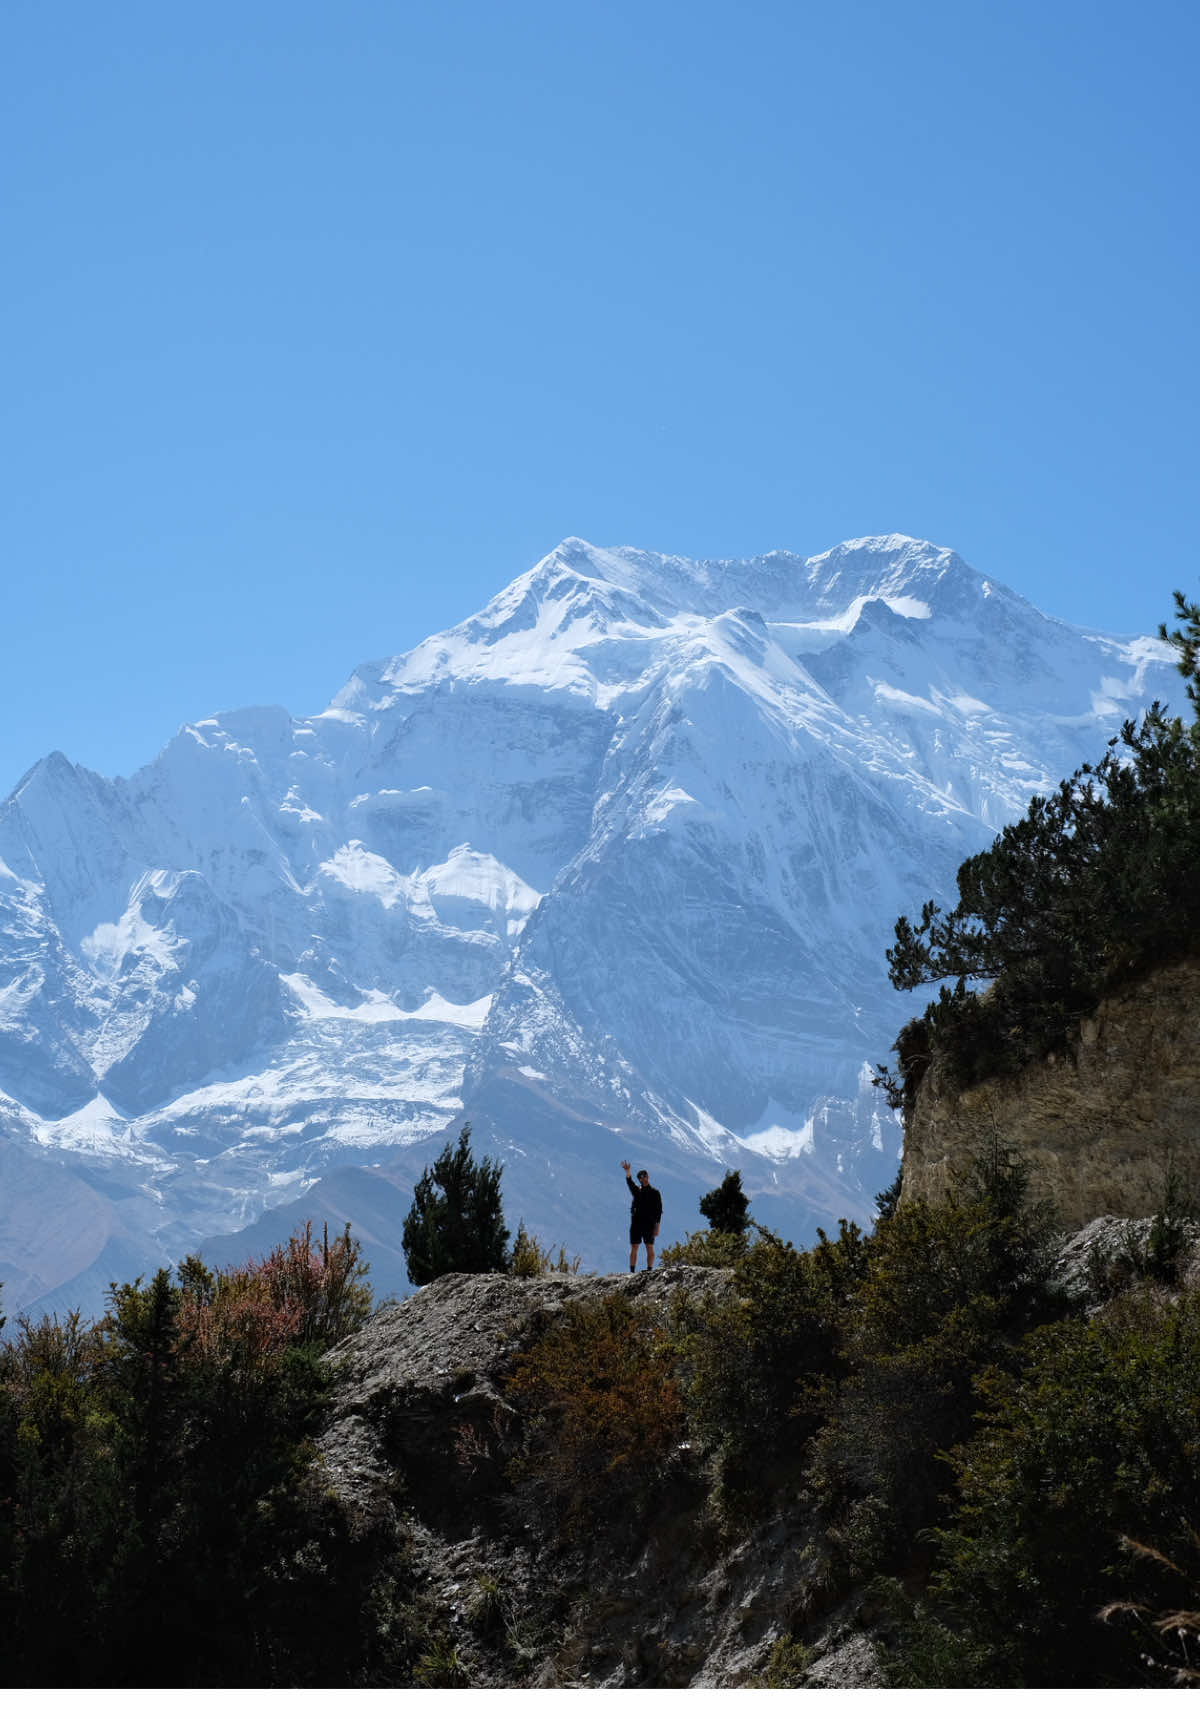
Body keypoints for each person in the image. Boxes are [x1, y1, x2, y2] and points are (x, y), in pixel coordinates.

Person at [621, 1159, 662, 1271]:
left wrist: (657, 1227)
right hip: (636, 1223)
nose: (643, 1178)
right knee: (634, 1246)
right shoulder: (637, 1191)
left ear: (648, 1177)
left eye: (645, 1175)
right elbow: (630, 1182)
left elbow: (659, 1211)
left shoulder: (655, 1192)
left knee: (649, 1246)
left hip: (649, 1223)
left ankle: (649, 1270)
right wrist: (628, 1171)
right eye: (641, 1176)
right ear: (639, 1179)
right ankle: (632, 1271)